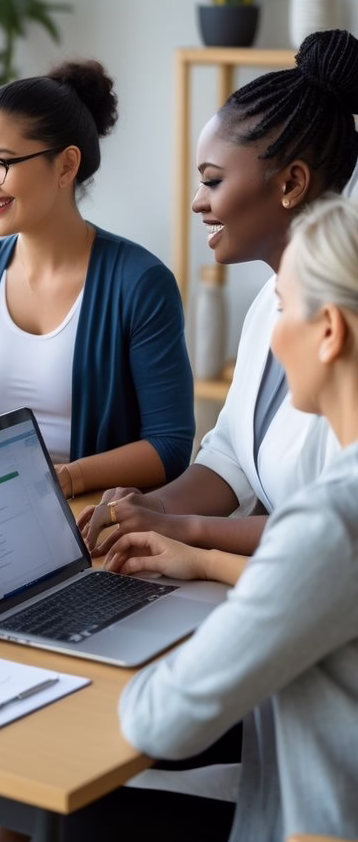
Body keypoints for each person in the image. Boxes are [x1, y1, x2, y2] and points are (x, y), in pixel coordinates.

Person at [85, 194, 358, 842]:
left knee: (75, 815)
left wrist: (93, 670)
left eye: (283, 308)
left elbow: (159, 721)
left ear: (329, 331)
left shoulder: (330, 518)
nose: (271, 337)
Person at [79, 29, 358, 557]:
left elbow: (337, 525)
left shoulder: (344, 329)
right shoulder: (268, 305)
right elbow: (230, 456)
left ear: (291, 184)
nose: (196, 202)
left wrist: (190, 535)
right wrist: (153, 508)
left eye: (212, 181)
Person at [0, 60, 194, 496]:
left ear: (66, 166)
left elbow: (170, 446)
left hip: (101, 519)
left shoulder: (141, 284)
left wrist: (64, 479)